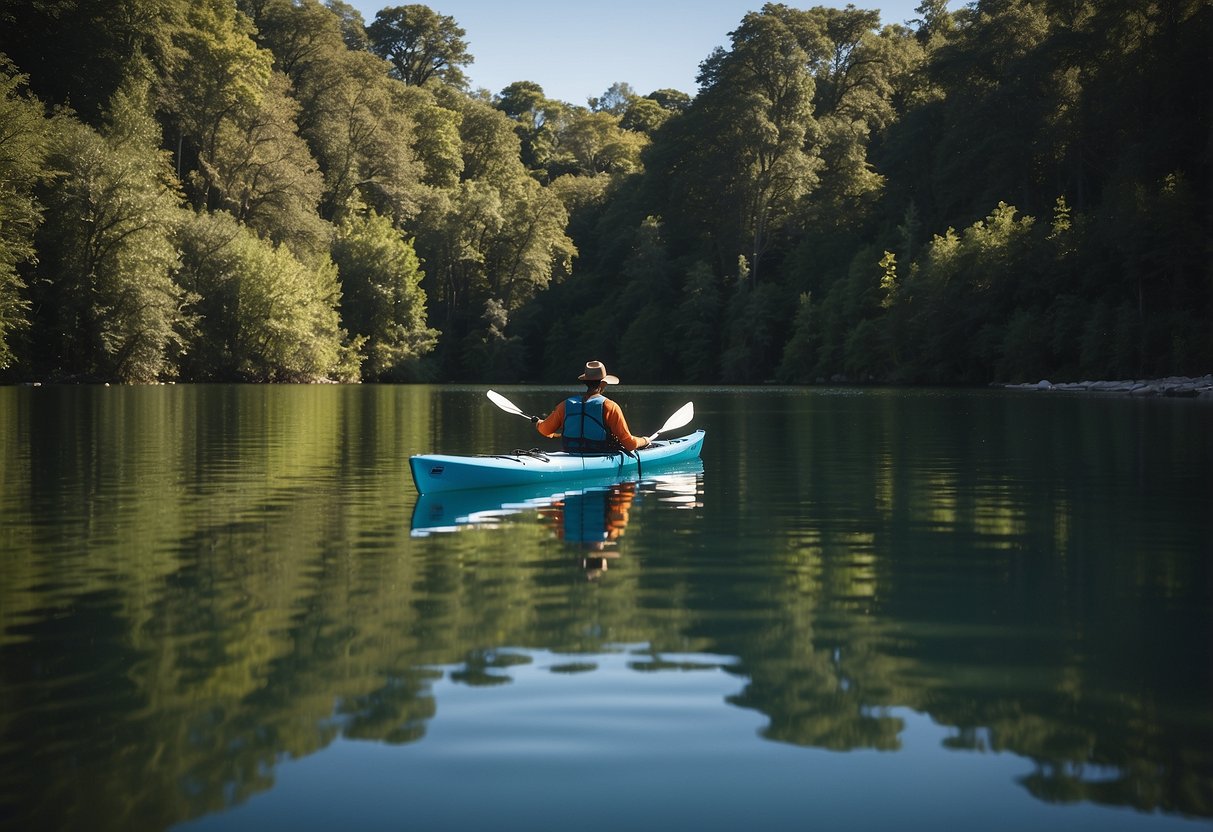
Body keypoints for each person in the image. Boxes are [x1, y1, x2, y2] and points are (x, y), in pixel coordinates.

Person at [534, 361, 653, 453]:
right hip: (599, 457)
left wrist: (539, 423)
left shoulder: (565, 405)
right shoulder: (610, 406)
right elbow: (629, 444)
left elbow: (545, 430)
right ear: (603, 383)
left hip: (570, 456)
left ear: (586, 382)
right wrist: (644, 440)